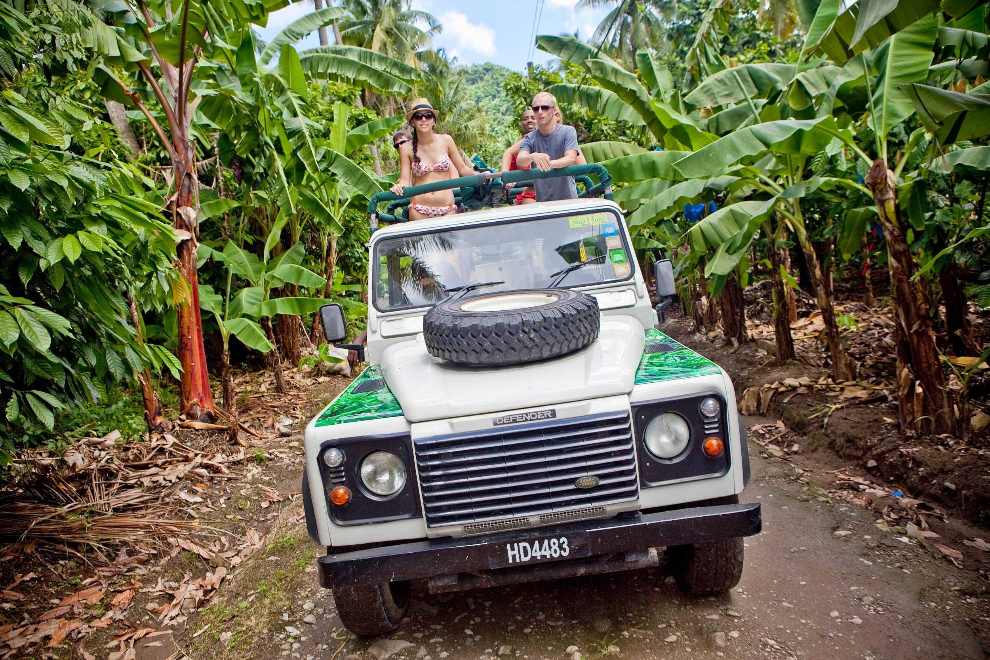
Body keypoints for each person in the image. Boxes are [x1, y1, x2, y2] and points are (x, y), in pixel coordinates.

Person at [390, 98, 475, 220]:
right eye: (418, 116)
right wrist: (398, 187)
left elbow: (463, 169)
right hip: (419, 210)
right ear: (412, 122)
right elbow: (404, 180)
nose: (423, 119)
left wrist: (482, 174)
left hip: (447, 209)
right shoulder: (406, 148)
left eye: (428, 116)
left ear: (433, 121)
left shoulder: (446, 140)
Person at [516, 92, 580, 201]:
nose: (540, 112)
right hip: (543, 204)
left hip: (569, 202)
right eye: (536, 109)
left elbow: (570, 158)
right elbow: (520, 161)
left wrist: (547, 164)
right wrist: (533, 157)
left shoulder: (568, 131)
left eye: (545, 108)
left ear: (554, 110)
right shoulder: (529, 138)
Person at [501, 109, 538, 205]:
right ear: (522, 124)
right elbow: (508, 156)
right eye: (525, 119)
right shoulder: (518, 147)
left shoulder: (550, 136)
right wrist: (506, 179)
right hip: (527, 195)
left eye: (533, 118)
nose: (529, 120)